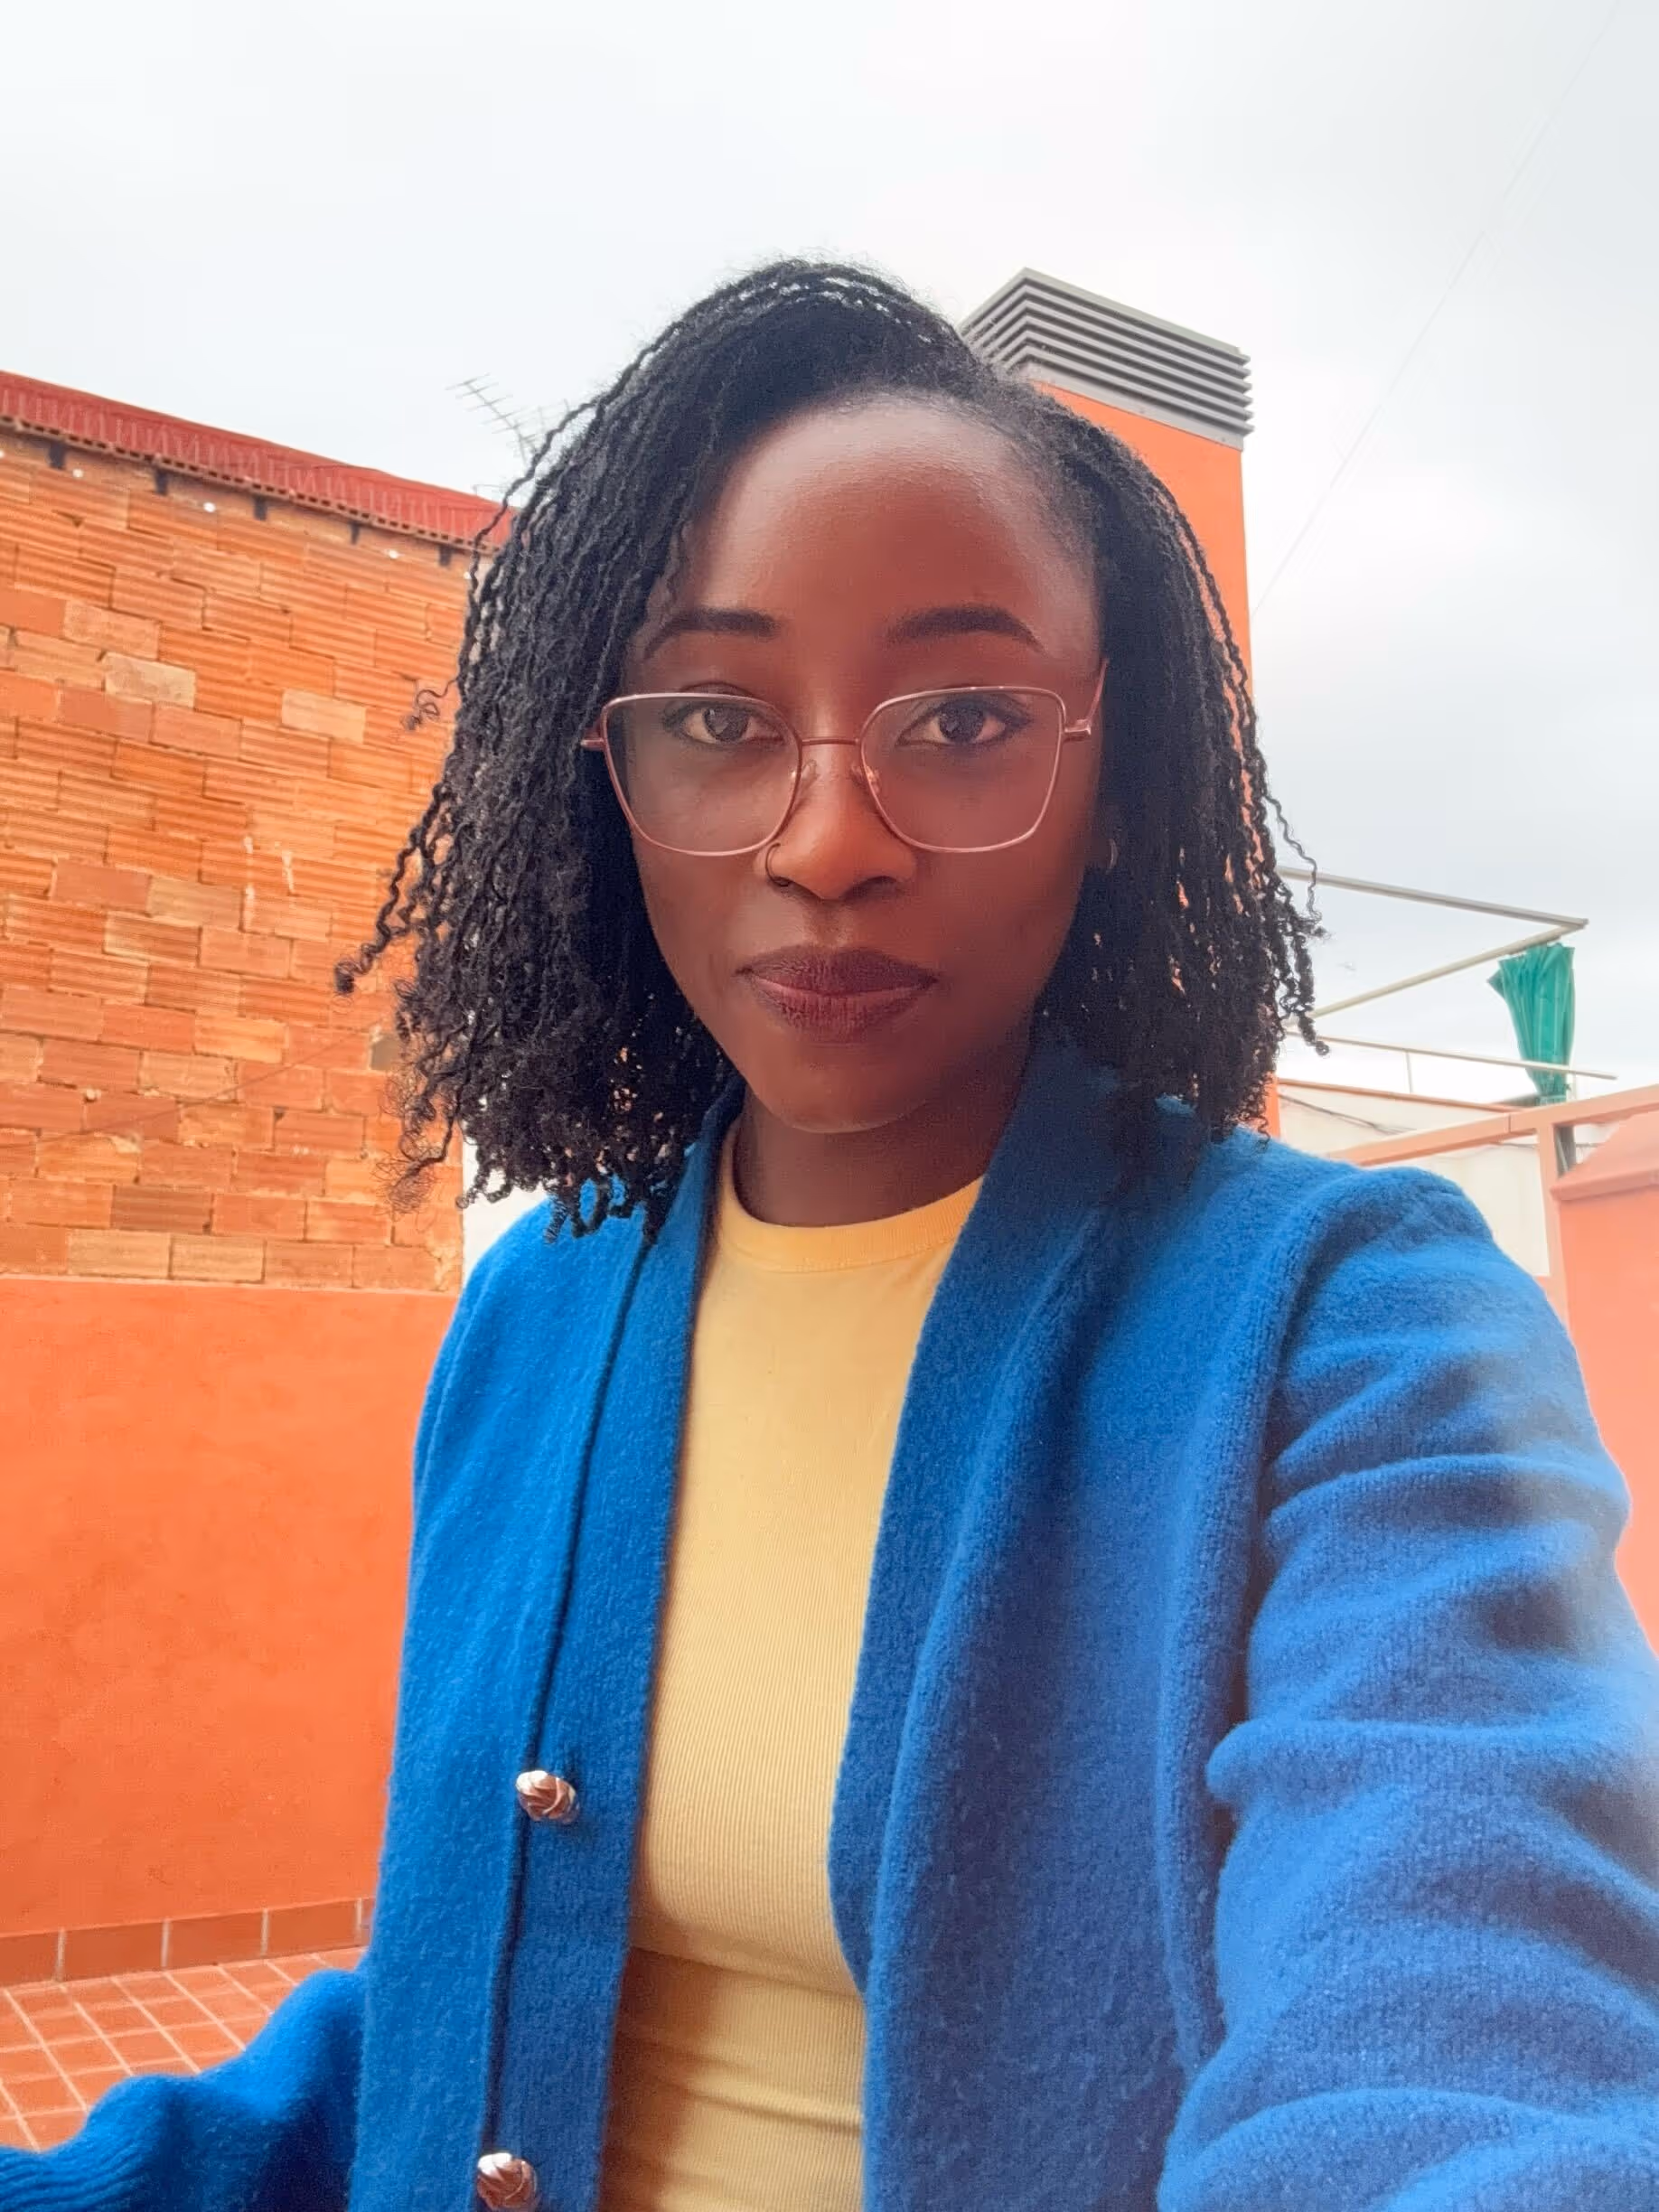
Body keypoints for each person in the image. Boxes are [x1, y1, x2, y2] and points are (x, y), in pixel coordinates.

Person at [6, 258, 1658, 2212]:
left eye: (962, 718)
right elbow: (490, 2006)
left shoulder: (1347, 1331)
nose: (825, 840)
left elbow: (1462, 2004)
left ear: (1110, 782)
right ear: (604, 784)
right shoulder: (540, 1313)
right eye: (717, 714)